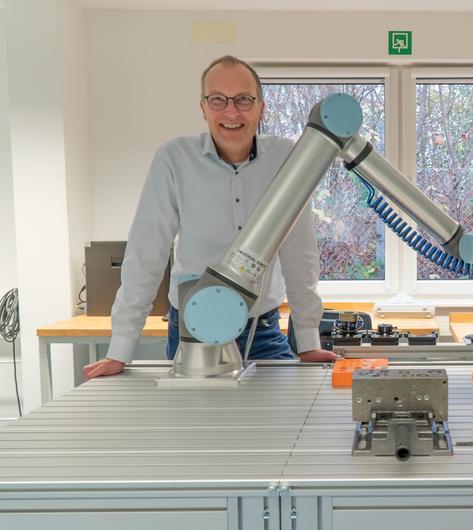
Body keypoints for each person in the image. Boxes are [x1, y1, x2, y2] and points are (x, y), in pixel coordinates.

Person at [83, 55, 337, 380]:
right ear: (203, 107)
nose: (231, 112)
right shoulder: (174, 160)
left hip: (261, 327)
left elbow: (299, 254)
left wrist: (307, 339)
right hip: (193, 331)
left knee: (280, 425)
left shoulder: (286, 160)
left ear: (261, 107)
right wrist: (120, 350)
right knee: (195, 427)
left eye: (244, 100)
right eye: (218, 100)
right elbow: (147, 254)